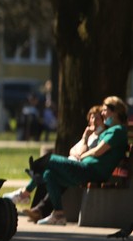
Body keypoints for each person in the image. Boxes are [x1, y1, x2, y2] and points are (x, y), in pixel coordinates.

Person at [36, 96, 129, 226]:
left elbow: (98, 151)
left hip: (92, 171)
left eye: (105, 110)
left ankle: (30, 184)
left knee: (50, 159)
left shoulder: (118, 131)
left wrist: (82, 156)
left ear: (115, 112)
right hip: (86, 169)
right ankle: (58, 214)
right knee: (49, 174)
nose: (102, 113)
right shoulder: (111, 130)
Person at [4, 105, 104, 213]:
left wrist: (84, 139)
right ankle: (42, 210)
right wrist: (81, 144)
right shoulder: (91, 135)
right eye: (92, 117)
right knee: (46, 174)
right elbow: (72, 150)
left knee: (48, 162)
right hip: (71, 164)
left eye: (97, 118)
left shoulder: (99, 137)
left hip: (78, 170)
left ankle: (24, 194)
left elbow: (82, 153)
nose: (94, 120)